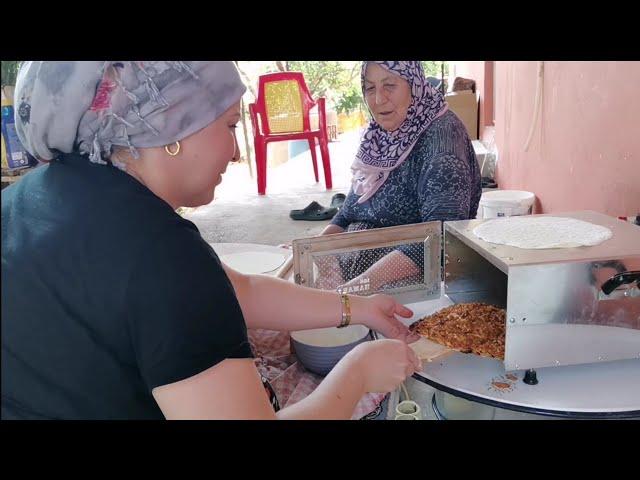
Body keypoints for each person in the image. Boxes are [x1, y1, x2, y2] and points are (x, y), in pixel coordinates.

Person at [1, 61, 422, 420]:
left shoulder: (29, 196)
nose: (236, 151)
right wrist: (358, 373)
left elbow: (239, 290)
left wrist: (358, 308)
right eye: (230, 125)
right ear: (172, 126)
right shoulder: (159, 253)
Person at [317, 61, 482, 292]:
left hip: (409, 287)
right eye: (369, 88)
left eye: (389, 85)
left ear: (413, 85)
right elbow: (346, 215)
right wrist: (323, 262)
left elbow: (440, 238)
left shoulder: (443, 142)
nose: (378, 100)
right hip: (355, 280)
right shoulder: (379, 136)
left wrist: (352, 291)